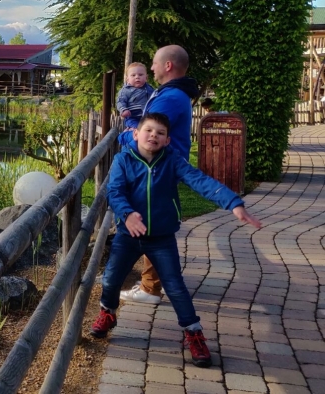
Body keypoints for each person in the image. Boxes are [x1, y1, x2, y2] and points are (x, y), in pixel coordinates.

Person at [92, 112, 262, 367]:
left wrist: (232, 203)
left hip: (161, 238)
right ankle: (108, 312)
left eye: (160, 133)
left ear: (167, 140)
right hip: (128, 236)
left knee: (175, 287)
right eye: (148, 130)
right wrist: (127, 214)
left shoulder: (172, 160)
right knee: (110, 279)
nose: (154, 136)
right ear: (136, 134)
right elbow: (115, 191)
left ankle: (193, 333)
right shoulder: (123, 159)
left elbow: (200, 181)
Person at [118, 45, 199, 305]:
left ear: (167, 66)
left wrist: (123, 137)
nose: (151, 68)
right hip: (159, 167)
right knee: (152, 223)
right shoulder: (170, 93)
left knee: (151, 226)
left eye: (154, 63)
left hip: (158, 168)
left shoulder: (169, 98)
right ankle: (150, 283)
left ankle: (150, 288)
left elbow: (146, 137)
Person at [116, 62, 154, 129]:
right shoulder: (126, 90)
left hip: (148, 117)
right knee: (137, 128)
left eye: (140, 75)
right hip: (133, 117)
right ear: (128, 79)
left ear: (146, 77)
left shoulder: (150, 89)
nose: (137, 77)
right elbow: (120, 101)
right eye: (133, 75)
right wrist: (123, 110)